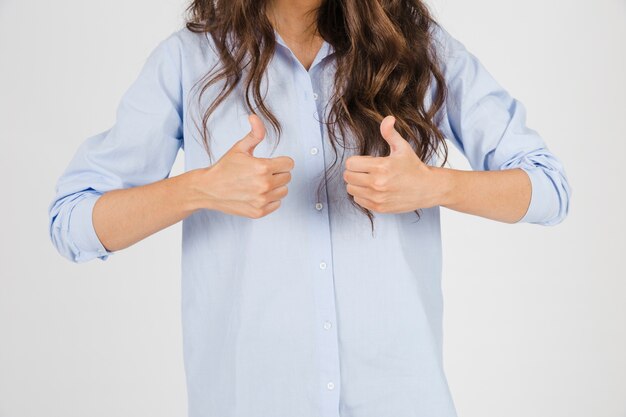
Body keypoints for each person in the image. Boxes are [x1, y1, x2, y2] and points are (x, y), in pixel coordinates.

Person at [48, 0, 572, 416]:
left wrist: (435, 186)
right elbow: (72, 223)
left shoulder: (419, 49)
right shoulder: (188, 59)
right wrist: (201, 189)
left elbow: (548, 189)